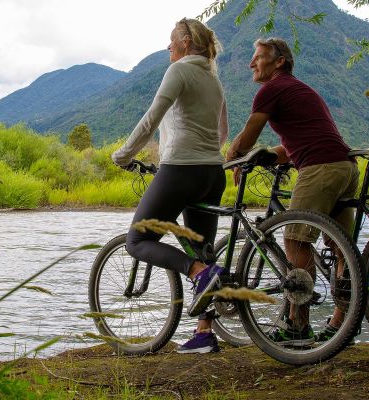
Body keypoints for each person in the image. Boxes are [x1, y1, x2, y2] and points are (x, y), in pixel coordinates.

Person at [226, 37, 359, 345]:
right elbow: (290, 146)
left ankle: (297, 324)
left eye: (258, 57)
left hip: (320, 168)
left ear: (279, 61)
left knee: (295, 239)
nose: (251, 63)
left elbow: (248, 134)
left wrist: (232, 158)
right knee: (343, 250)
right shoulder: (300, 89)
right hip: (344, 166)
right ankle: (343, 322)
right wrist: (269, 156)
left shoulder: (271, 90)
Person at [112, 18, 228, 354]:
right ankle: (204, 333)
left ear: (186, 42)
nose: (168, 47)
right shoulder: (213, 79)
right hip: (212, 173)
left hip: (181, 170)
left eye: (171, 41)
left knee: (137, 240)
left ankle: (197, 272)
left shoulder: (179, 71)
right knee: (200, 248)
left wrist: (123, 155)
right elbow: (222, 134)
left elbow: (151, 118)